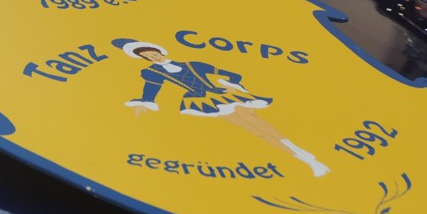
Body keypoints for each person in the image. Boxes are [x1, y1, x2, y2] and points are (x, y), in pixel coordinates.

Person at [112, 38, 330, 177]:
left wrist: (230, 84)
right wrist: (145, 103)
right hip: (203, 100)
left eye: (154, 53)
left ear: (161, 52)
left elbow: (230, 74)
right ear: (143, 59)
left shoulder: (193, 64)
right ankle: (304, 159)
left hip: (224, 94)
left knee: (255, 120)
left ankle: (304, 155)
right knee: (253, 130)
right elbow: (152, 89)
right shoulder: (153, 72)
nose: (154, 57)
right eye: (148, 56)